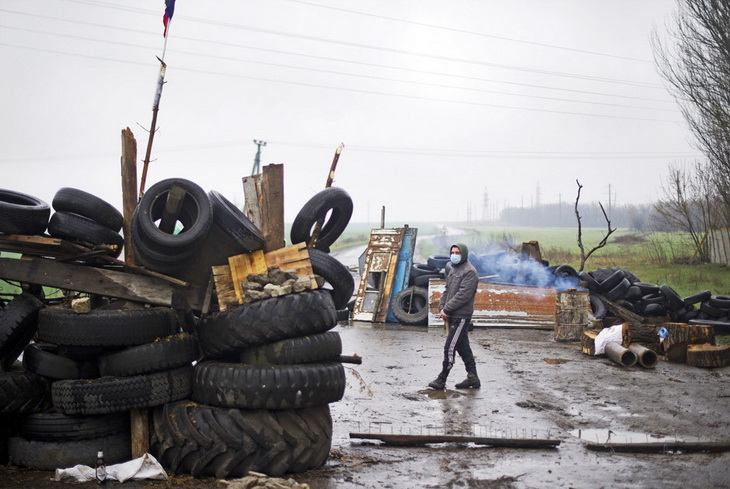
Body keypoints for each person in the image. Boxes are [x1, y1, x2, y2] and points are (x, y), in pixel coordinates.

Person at [428, 243, 480, 390]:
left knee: (450, 347)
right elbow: (447, 290)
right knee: (463, 348)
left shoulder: (470, 272)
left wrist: (448, 309)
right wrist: (442, 307)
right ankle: (473, 378)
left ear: (463, 254)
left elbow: (463, 295)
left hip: (461, 316)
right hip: (452, 314)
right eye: (453, 252)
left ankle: (441, 379)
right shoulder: (452, 268)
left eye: (457, 252)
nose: (455, 255)